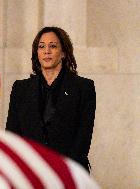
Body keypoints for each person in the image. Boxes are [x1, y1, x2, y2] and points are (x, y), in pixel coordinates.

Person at [6, 26, 96, 172]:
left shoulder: (83, 87)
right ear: (37, 52)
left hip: (69, 172)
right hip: (30, 172)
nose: (46, 51)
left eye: (52, 46)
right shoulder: (20, 89)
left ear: (63, 53)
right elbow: (13, 136)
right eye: (41, 46)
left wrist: (62, 171)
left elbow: (83, 138)